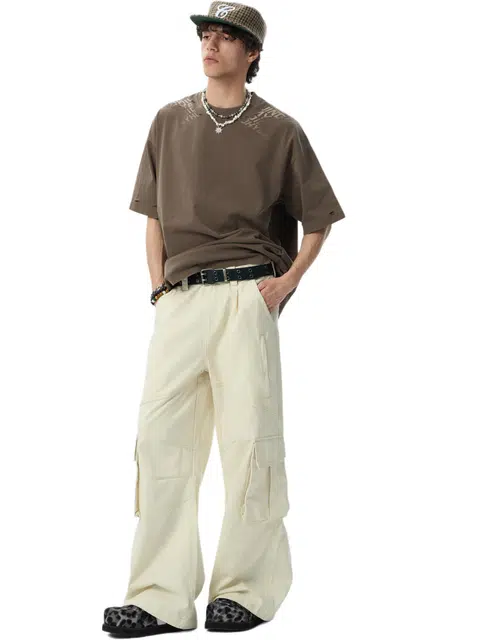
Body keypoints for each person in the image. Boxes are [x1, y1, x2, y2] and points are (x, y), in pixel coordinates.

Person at [103, 2, 346, 636]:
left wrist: (287, 283)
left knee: (250, 444)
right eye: (206, 35)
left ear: (252, 53)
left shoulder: (280, 129)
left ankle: (245, 589)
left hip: (247, 295)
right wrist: (159, 289)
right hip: (180, 298)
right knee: (162, 444)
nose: (210, 46)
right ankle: (158, 597)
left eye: (226, 38)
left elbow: (318, 219)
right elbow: (154, 216)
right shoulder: (170, 120)